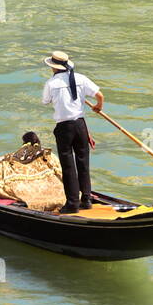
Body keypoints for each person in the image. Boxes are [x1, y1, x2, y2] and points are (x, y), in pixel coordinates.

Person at [41, 51, 104, 214]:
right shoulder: (81, 78)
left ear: (53, 68)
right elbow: (99, 95)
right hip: (81, 126)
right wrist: (98, 106)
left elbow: (46, 101)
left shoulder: (51, 84)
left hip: (65, 128)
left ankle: (72, 203)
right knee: (83, 162)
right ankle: (87, 199)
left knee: (68, 166)